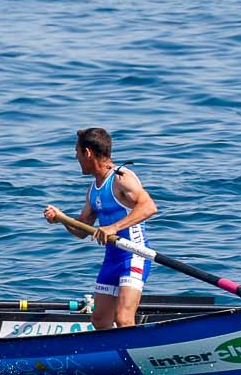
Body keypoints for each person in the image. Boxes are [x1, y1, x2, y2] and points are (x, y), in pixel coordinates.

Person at [43, 126, 159, 330]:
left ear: (87, 153)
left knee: (123, 319)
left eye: (77, 153)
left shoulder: (121, 178)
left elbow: (149, 207)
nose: (76, 158)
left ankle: (133, 357)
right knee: (100, 320)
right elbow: (82, 231)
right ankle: (116, 357)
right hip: (112, 259)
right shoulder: (93, 190)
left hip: (134, 255)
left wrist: (113, 227)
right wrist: (61, 219)